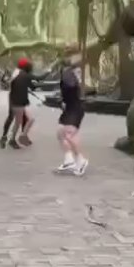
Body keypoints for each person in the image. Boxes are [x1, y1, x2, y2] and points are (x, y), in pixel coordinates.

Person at [56, 48, 88, 176]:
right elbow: (69, 89)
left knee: (68, 135)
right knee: (60, 131)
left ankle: (81, 160)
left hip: (75, 108)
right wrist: (63, 100)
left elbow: (71, 86)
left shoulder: (70, 73)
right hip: (70, 107)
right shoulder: (67, 72)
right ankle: (69, 160)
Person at [8, 58, 35, 149]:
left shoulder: (20, 74)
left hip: (22, 100)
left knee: (31, 119)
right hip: (17, 101)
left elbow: (30, 86)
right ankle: (12, 140)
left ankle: (23, 136)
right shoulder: (18, 74)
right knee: (18, 121)